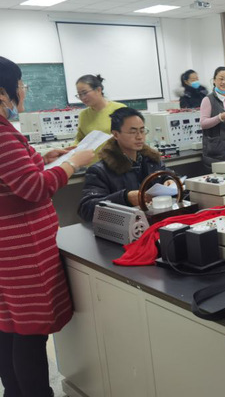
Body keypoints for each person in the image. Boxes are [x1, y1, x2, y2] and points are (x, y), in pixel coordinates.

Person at [0, 56, 94, 397]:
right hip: (22, 250)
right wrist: (72, 163)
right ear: (2, 93)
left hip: (8, 248)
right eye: (20, 85)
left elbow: (12, 178)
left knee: (10, 325)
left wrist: (42, 159)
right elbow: (33, 188)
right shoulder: (2, 134)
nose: (23, 91)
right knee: (31, 332)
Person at [78, 107, 168, 222]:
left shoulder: (151, 160)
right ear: (116, 134)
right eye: (133, 132)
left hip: (158, 221)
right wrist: (125, 198)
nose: (139, 137)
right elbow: (87, 209)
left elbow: (167, 175)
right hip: (126, 227)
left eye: (142, 131)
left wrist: (169, 180)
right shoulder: (100, 170)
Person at [74, 74, 125, 163]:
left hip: (117, 164)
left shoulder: (119, 109)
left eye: (85, 93)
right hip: (93, 166)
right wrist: (68, 151)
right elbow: (80, 139)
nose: (82, 98)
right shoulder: (83, 115)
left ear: (98, 90)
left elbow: (130, 137)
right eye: (79, 95)